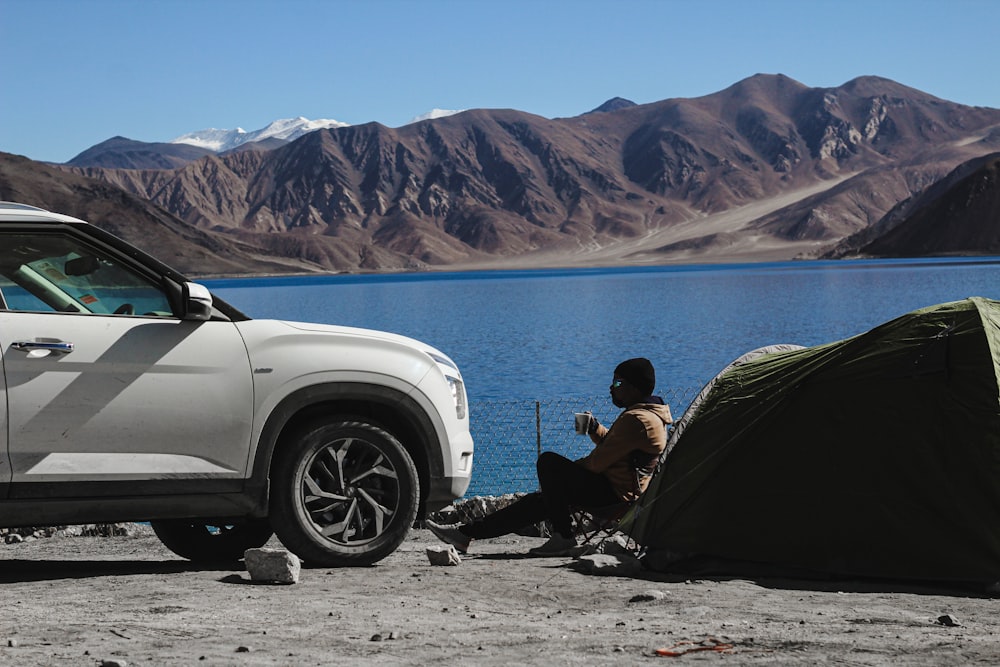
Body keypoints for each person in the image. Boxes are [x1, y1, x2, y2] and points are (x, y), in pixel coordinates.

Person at [427, 358, 673, 556]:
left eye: (618, 383)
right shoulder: (649, 415)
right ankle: (464, 535)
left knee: (549, 463)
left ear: (635, 387)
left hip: (614, 495)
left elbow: (597, 463)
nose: (611, 388)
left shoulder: (637, 419)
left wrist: (562, 476)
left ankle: (563, 537)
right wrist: (596, 430)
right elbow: (621, 449)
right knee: (539, 502)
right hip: (621, 490)